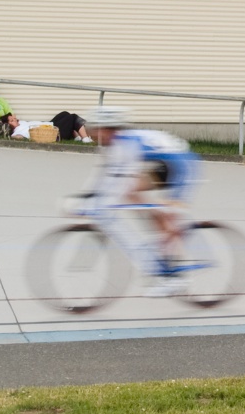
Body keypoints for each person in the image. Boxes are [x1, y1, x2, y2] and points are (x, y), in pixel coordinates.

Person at [78, 108, 201, 297]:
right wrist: (86, 197)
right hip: (165, 164)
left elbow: (119, 180)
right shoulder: (114, 144)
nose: (94, 133)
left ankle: (176, 277)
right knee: (130, 193)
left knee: (168, 216)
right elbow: (104, 175)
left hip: (184, 167)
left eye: (98, 129)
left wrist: (98, 203)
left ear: (110, 129)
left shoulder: (127, 145)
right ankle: (155, 222)